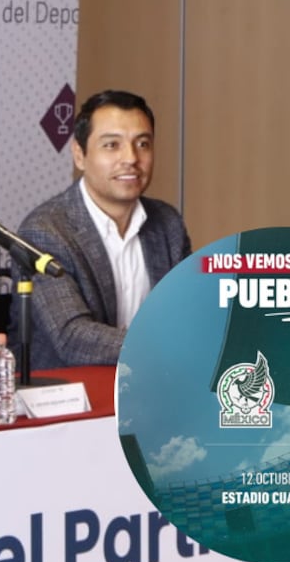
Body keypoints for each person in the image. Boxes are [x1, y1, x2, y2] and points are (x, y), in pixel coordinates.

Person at [16, 90, 191, 369]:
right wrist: (163, 345)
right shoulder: (45, 232)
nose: (131, 158)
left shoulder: (167, 223)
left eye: (143, 144)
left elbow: (188, 316)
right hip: (70, 396)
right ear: (79, 154)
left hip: (152, 389)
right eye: (112, 145)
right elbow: (73, 338)